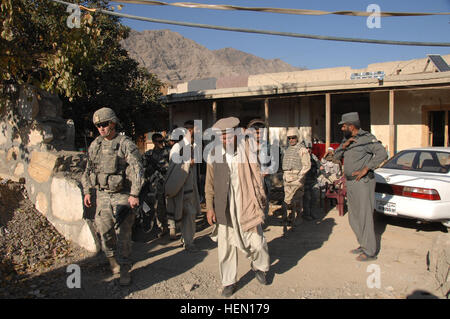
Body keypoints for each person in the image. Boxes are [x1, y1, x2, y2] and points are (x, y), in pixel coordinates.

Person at [205, 117, 270, 297]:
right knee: (225, 247)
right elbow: (209, 183)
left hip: (246, 203)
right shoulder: (213, 153)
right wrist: (209, 207)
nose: (225, 139)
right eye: (222, 136)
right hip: (224, 206)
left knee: (257, 242)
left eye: (228, 135)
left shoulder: (248, 149)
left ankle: (260, 267)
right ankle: (229, 281)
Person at [81, 107, 144, 286]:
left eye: (104, 124)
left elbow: (138, 169)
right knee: (105, 233)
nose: (101, 128)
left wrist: (134, 193)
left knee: (123, 235)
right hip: (102, 197)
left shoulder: (125, 143)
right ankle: (112, 261)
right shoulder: (96, 145)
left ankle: (124, 268)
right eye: (98, 125)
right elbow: (87, 171)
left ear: (113, 123)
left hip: (122, 195)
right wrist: (87, 191)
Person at [333, 112, 387, 262]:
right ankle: (363, 244)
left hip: (362, 183)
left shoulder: (367, 139)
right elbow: (336, 157)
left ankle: (370, 251)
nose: (342, 128)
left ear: (351, 126)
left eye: (344, 125)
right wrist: (343, 146)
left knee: (364, 216)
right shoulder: (347, 140)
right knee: (354, 217)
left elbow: (382, 154)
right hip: (350, 182)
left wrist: (366, 168)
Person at [165, 124, 201, 252]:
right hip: (181, 188)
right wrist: (188, 162)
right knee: (184, 213)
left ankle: (187, 241)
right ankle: (186, 241)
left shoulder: (193, 147)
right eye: (195, 132)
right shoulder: (177, 146)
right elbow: (174, 165)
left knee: (190, 215)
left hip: (191, 187)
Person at [246, 119, 278, 217]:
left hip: (264, 180)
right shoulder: (245, 146)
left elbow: (274, 163)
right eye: (256, 133)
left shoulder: (268, 146)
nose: (258, 135)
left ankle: (263, 220)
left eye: (261, 133)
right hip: (250, 179)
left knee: (264, 201)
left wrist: (268, 170)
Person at [281, 128, 311, 233]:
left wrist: (299, 177)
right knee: (288, 200)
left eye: (293, 137)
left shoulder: (302, 149)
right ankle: (290, 217)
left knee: (297, 199)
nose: (291, 140)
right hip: (287, 178)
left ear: (297, 138)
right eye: (289, 138)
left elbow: (307, 165)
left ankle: (298, 218)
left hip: (296, 177)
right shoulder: (287, 149)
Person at [143, 132, 171, 238]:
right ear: (154, 142)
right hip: (157, 184)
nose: (162, 143)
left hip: (168, 181)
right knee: (159, 207)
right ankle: (163, 227)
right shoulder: (149, 155)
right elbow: (145, 170)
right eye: (159, 141)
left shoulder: (168, 152)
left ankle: (172, 226)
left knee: (170, 205)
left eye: (162, 141)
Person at [303, 143, 321, 220]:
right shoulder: (301, 158)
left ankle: (313, 213)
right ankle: (307, 214)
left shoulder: (314, 157)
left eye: (310, 148)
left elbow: (320, 166)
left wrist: (319, 170)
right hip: (305, 181)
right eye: (307, 148)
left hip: (313, 180)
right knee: (307, 198)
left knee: (315, 197)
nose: (308, 149)